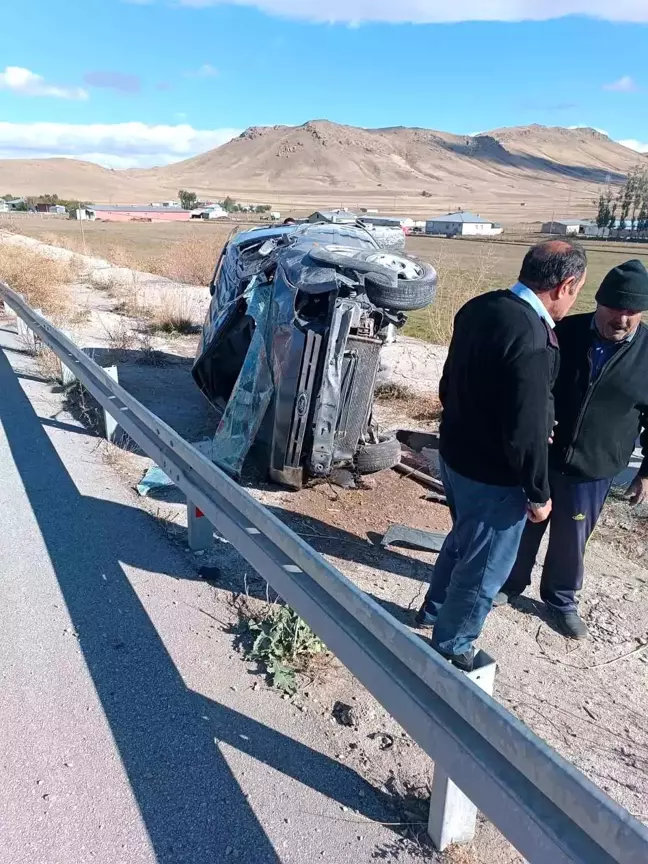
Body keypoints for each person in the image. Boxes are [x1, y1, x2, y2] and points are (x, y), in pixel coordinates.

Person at [415, 240, 587, 671]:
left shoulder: (481, 306)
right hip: (494, 476)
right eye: (578, 290)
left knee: (462, 541)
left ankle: (434, 610)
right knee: (485, 568)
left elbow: (448, 381)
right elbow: (527, 429)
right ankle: (452, 646)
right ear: (566, 285)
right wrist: (538, 492)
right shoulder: (533, 336)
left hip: (455, 457)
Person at [495, 260, 648, 639]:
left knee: (571, 540)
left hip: (594, 467)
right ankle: (508, 583)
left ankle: (560, 600)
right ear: (598, 301)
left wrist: (646, 472)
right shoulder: (562, 332)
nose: (623, 319)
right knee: (524, 525)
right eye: (616, 308)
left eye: (633, 311)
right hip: (542, 458)